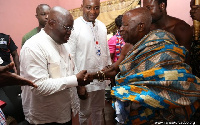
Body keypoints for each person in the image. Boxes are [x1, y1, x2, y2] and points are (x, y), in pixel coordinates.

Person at [86, 7, 200, 125]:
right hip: (136, 111)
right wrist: (94, 75)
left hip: (164, 111)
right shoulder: (127, 47)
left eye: (125, 25)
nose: (121, 29)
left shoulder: (162, 40)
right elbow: (115, 69)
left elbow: (175, 76)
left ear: (140, 26)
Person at [20, 6, 89, 125]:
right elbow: (38, 86)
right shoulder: (33, 47)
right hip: (45, 117)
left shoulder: (63, 43)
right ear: (51, 23)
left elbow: (71, 69)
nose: (70, 33)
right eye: (67, 28)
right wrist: (75, 80)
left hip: (64, 112)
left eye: (71, 28)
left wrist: (80, 84)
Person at [66, 0, 112, 124]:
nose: (93, 11)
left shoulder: (102, 26)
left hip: (100, 78)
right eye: (89, 7)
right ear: (82, 7)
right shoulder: (74, 27)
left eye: (96, 8)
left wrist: (108, 74)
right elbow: (71, 57)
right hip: (84, 81)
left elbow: (106, 51)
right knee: (84, 113)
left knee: (99, 110)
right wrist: (79, 84)